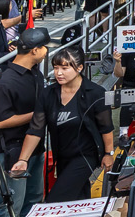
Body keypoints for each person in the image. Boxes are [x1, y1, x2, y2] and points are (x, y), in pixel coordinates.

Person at [0, 28, 49, 217]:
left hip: (34, 146)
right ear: (34, 50)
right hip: (11, 151)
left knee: (33, 198)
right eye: (44, 48)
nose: (45, 52)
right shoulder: (5, 82)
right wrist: (38, 115)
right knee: (11, 202)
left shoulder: (35, 74)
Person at [20, 43, 112, 203]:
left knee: (55, 200)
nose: (58, 73)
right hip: (62, 155)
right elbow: (36, 129)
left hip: (86, 155)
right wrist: (23, 160)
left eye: (65, 68)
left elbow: (106, 127)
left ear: (79, 68)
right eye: (56, 68)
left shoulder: (95, 93)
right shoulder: (48, 93)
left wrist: (108, 154)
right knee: (78, 198)